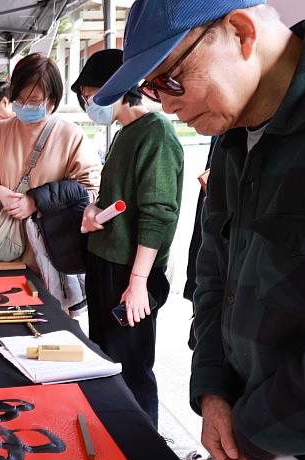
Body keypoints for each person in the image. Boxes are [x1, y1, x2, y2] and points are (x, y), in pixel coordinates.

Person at [94, 0, 305, 460]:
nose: (167, 106)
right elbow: (214, 275)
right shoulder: (234, 134)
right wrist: (212, 392)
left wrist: (254, 427)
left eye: (172, 81)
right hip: (247, 454)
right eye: (150, 90)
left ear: (239, 33)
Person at [74, 49, 184, 427]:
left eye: (93, 93)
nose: (90, 103)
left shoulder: (156, 132)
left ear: (120, 87)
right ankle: (114, 440)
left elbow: (158, 213)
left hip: (129, 273)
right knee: (106, 361)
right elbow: (116, 200)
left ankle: (144, 451)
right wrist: (92, 212)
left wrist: (138, 282)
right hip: (105, 263)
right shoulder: (124, 134)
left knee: (133, 369)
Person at [0, 53, 101, 309]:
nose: (25, 106)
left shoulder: (70, 135)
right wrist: (0, 192)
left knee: (47, 328)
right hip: (3, 252)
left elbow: (90, 191)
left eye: (34, 100)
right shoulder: (2, 131)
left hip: (51, 258)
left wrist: (36, 202)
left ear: (52, 100)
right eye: (19, 99)